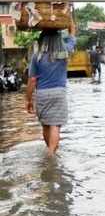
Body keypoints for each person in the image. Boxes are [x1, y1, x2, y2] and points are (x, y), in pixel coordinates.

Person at [26, 18, 76, 157]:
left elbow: (32, 81)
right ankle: (51, 153)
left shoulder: (37, 56)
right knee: (55, 125)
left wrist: (28, 100)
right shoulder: (65, 52)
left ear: (42, 40)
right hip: (59, 93)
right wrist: (70, 22)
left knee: (46, 125)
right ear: (59, 40)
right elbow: (72, 36)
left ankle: (50, 151)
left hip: (42, 94)